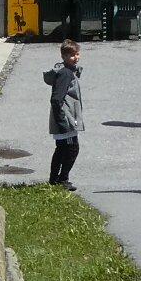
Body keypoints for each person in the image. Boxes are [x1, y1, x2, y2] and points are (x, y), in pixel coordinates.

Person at [44, 39, 84, 185]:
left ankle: (54, 179)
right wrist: (62, 121)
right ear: (64, 56)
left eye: (77, 54)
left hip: (65, 117)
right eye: (72, 55)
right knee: (72, 149)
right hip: (65, 119)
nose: (76, 57)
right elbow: (56, 99)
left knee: (61, 149)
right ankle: (62, 179)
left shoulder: (67, 71)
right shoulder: (66, 74)